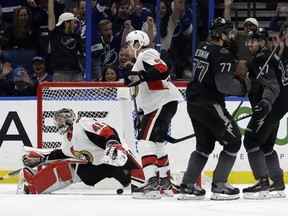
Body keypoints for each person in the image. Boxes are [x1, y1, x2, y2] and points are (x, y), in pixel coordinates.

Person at [178, 17, 250, 201]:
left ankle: (187, 185)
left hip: (193, 102)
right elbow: (224, 86)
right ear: (222, 34)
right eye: (229, 31)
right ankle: (219, 184)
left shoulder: (202, 47)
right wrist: (244, 85)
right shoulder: (222, 53)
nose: (231, 35)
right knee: (233, 142)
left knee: (204, 146)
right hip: (210, 104)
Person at [20, 108, 145, 194]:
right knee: (69, 170)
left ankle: (157, 180)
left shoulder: (83, 124)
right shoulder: (67, 139)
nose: (59, 123)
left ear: (70, 118)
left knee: (140, 184)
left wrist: (112, 144)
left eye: (61, 119)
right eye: (57, 120)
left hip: (117, 158)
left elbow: (107, 131)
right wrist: (42, 158)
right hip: (98, 165)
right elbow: (62, 154)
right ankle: (35, 185)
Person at [124, 30, 184, 199]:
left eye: (129, 43)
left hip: (160, 103)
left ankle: (152, 184)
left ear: (137, 43)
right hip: (160, 104)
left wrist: (140, 77)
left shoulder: (146, 54)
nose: (127, 47)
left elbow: (162, 70)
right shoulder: (140, 61)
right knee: (156, 144)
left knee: (144, 142)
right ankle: (164, 183)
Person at [242, 27, 288, 199]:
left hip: (271, 107)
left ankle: (262, 183)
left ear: (262, 42)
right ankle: (277, 183)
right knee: (266, 145)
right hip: (279, 107)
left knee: (251, 140)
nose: (249, 44)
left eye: (252, 41)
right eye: (248, 41)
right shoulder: (271, 56)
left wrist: (265, 103)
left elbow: (272, 86)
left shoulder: (262, 58)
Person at [48, 0, 84, 82]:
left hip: (76, 73)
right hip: (60, 73)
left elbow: (83, 53)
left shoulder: (76, 37)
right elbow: (51, 14)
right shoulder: (55, 34)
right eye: (74, 23)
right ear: (67, 23)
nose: (75, 25)